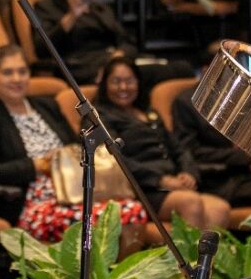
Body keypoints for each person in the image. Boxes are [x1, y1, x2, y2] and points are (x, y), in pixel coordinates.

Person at [0, 45, 148, 246]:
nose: (17, 79)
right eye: (8, 72)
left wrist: (65, 157)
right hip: (31, 202)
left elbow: (74, 145)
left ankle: (109, 268)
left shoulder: (46, 105)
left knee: (133, 211)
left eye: (22, 71)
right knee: (103, 218)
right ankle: (96, 268)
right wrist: (37, 165)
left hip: (73, 188)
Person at [94, 57, 231, 230]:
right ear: (105, 85)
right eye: (116, 81)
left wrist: (188, 173)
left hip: (172, 183)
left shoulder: (148, 112)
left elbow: (179, 148)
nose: (123, 87)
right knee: (190, 202)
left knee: (220, 208)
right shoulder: (100, 117)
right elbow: (114, 159)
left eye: (129, 81)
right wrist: (160, 180)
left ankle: (200, 250)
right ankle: (185, 250)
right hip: (141, 187)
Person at [34, 0, 193, 85]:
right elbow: (42, 48)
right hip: (81, 67)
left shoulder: (99, 8)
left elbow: (127, 41)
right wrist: (72, 15)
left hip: (117, 62)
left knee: (183, 68)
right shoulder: (46, 6)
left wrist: (118, 56)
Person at [170, 87, 251, 209]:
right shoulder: (186, 101)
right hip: (219, 178)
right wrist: (244, 156)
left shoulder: (241, 92)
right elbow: (190, 152)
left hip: (248, 173)